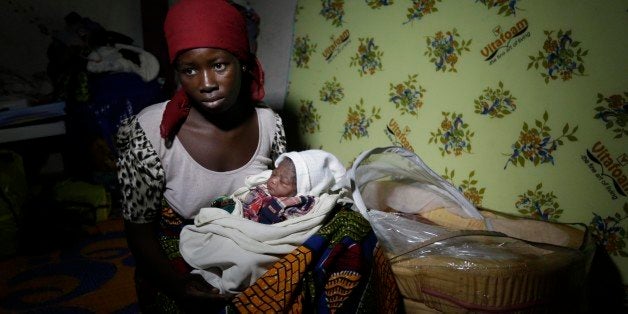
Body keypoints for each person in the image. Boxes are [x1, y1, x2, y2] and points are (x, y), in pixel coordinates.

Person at [115, 0, 286, 312]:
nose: (206, 84)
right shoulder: (149, 132)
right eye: (189, 70)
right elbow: (138, 230)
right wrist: (177, 286)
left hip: (251, 243)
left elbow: (280, 200)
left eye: (219, 65)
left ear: (242, 62)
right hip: (175, 257)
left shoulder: (269, 124)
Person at [179, 150, 349, 294]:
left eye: (283, 181)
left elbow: (284, 231)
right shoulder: (265, 186)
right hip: (238, 222)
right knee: (212, 230)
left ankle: (219, 282)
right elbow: (243, 195)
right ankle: (205, 271)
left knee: (246, 261)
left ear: (302, 189)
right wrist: (233, 205)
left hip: (257, 237)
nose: (273, 180)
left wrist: (254, 226)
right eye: (275, 173)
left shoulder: (298, 205)